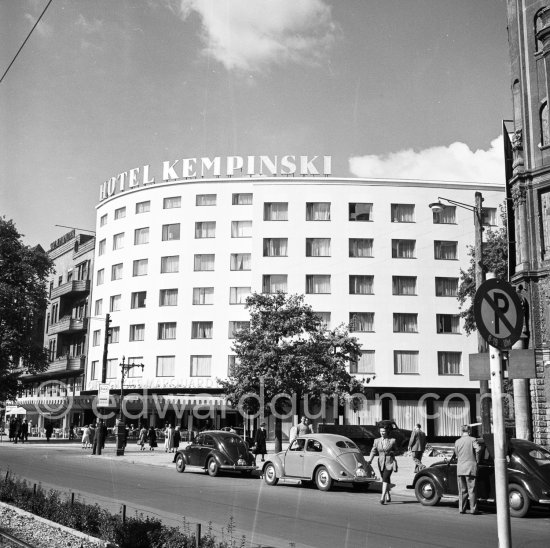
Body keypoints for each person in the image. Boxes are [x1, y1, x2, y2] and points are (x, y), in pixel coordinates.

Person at [454, 425, 481, 515]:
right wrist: (477, 460)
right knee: (471, 490)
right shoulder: (473, 439)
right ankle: (473, 509)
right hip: (470, 467)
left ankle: (462, 509)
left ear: (462, 431)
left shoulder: (457, 441)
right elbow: (478, 449)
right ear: (469, 431)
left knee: (462, 490)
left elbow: (456, 454)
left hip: (460, 467)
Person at [367, 426, 398, 505]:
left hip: (389, 462)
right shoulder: (376, 441)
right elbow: (373, 451)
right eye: (381, 431)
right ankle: (388, 494)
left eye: (384, 431)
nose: (382, 433)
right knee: (385, 479)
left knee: (385, 478)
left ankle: (382, 497)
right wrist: (370, 460)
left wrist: (393, 453)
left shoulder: (392, 441)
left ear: (387, 432)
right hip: (380, 462)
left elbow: (397, 450)